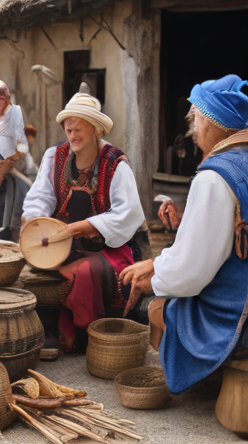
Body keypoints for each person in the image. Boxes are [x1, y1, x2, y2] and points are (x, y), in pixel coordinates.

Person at [120, 74, 248, 394]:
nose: (192, 129)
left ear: (211, 120)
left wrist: (153, 279)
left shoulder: (214, 176)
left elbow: (189, 273)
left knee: (156, 307)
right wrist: (158, 263)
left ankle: (205, 380)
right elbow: (217, 245)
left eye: (196, 118)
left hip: (237, 313)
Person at [22, 83, 145, 352]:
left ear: (96, 129)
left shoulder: (115, 162)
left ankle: (82, 333)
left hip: (106, 247)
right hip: (63, 241)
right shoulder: (55, 155)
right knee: (33, 255)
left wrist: (87, 226)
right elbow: (39, 197)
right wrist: (35, 221)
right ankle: (49, 327)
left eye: (78, 126)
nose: (71, 131)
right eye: (68, 126)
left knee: (88, 272)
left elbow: (129, 213)